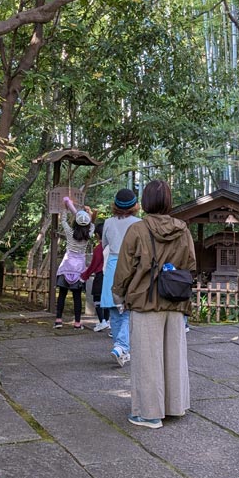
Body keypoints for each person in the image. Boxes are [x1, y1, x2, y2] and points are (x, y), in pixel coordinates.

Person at [113, 179, 196, 429]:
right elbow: (190, 264)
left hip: (145, 300)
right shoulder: (183, 229)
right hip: (174, 299)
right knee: (174, 356)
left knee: (147, 359)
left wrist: (119, 295)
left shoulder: (137, 230)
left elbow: (124, 269)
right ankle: (174, 405)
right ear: (169, 200)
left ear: (145, 202)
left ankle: (148, 413)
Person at [102, 188, 142, 366]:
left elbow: (104, 244)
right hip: (130, 265)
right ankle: (121, 347)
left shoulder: (108, 222)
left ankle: (121, 349)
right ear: (135, 205)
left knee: (113, 310)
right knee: (126, 310)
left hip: (111, 266)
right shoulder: (139, 223)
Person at [54, 196, 93, 329]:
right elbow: (91, 224)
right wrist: (88, 213)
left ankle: (58, 320)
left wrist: (66, 207)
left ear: (76, 222)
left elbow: (63, 220)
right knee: (77, 297)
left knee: (62, 295)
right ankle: (77, 323)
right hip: (79, 268)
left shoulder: (70, 233)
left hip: (66, 266)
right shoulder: (88, 235)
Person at [81, 222, 111, 332]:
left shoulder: (99, 248)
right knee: (107, 299)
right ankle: (107, 321)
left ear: (97, 235)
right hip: (110, 275)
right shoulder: (112, 246)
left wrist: (85, 275)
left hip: (100, 275)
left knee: (97, 298)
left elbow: (94, 265)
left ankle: (102, 321)